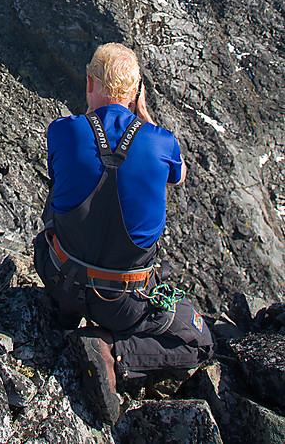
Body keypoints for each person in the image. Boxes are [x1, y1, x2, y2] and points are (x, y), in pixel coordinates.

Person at [34, 42, 214, 424]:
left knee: (61, 194)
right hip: (123, 302)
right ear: (136, 91)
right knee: (199, 340)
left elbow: (62, 172)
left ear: (89, 82)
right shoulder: (162, 142)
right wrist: (145, 125)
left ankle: (67, 309)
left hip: (58, 275)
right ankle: (114, 350)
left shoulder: (62, 131)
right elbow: (177, 176)